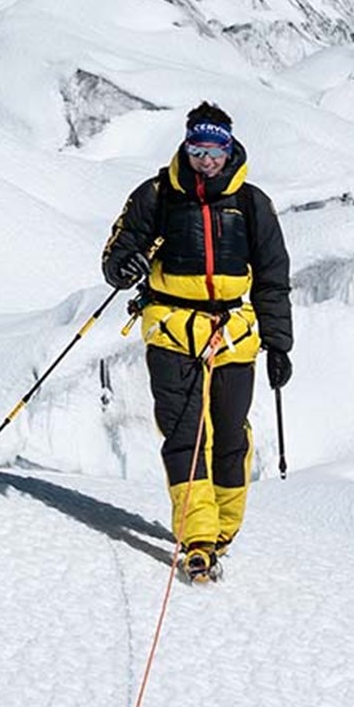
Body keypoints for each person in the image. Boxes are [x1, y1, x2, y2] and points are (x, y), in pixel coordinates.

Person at [100, 102, 293, 584]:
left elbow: (272, 278)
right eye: (197, 150)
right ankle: (198, 539)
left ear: (230, 150)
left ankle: (223, 530)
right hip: (170, 328)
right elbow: (117, 253)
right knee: (185, 435)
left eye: (215, 151)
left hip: (233, 333)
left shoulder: (252, 203)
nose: (206, 161)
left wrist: (279, 344)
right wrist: (125, 267)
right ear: (186, 148)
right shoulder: (156, 196)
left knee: (230, 436)